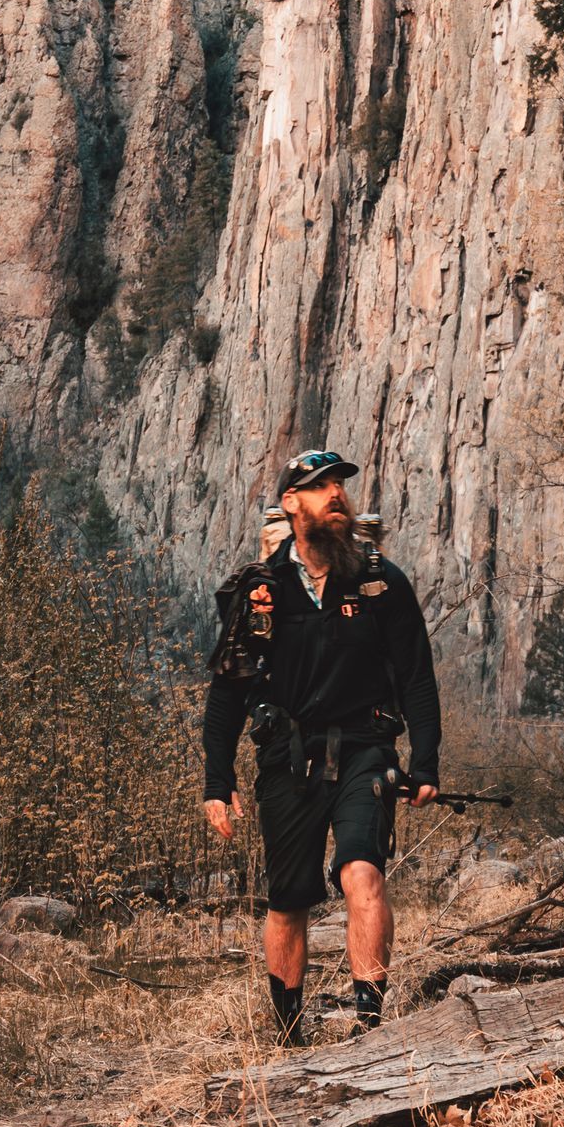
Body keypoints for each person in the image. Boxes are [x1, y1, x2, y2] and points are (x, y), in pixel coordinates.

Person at [202, 447, 442, 1044]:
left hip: (365, 749)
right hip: (287, 758)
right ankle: (287, 1037)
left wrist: (426, 760)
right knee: (288, 899)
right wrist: (216, 779)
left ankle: (369, 1030)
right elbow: (228, 688)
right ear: (291, 504)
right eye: (318, 486)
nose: (335, 493)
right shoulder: (260, 590)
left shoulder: (380, 582)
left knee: (363, 873)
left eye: (339, 484)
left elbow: (416, 673)